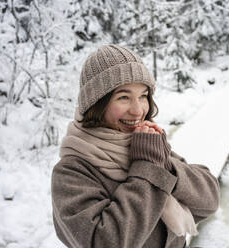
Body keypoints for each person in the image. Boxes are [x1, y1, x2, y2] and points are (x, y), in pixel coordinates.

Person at [51, 44, 220, 248]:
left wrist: (165, 166)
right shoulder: (72, 171)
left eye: (143, 96)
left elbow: (209, 201)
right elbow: (105, 242)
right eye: (123, 97)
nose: (138, 110)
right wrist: (149, 169)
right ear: (96, 103)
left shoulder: (144, 145)